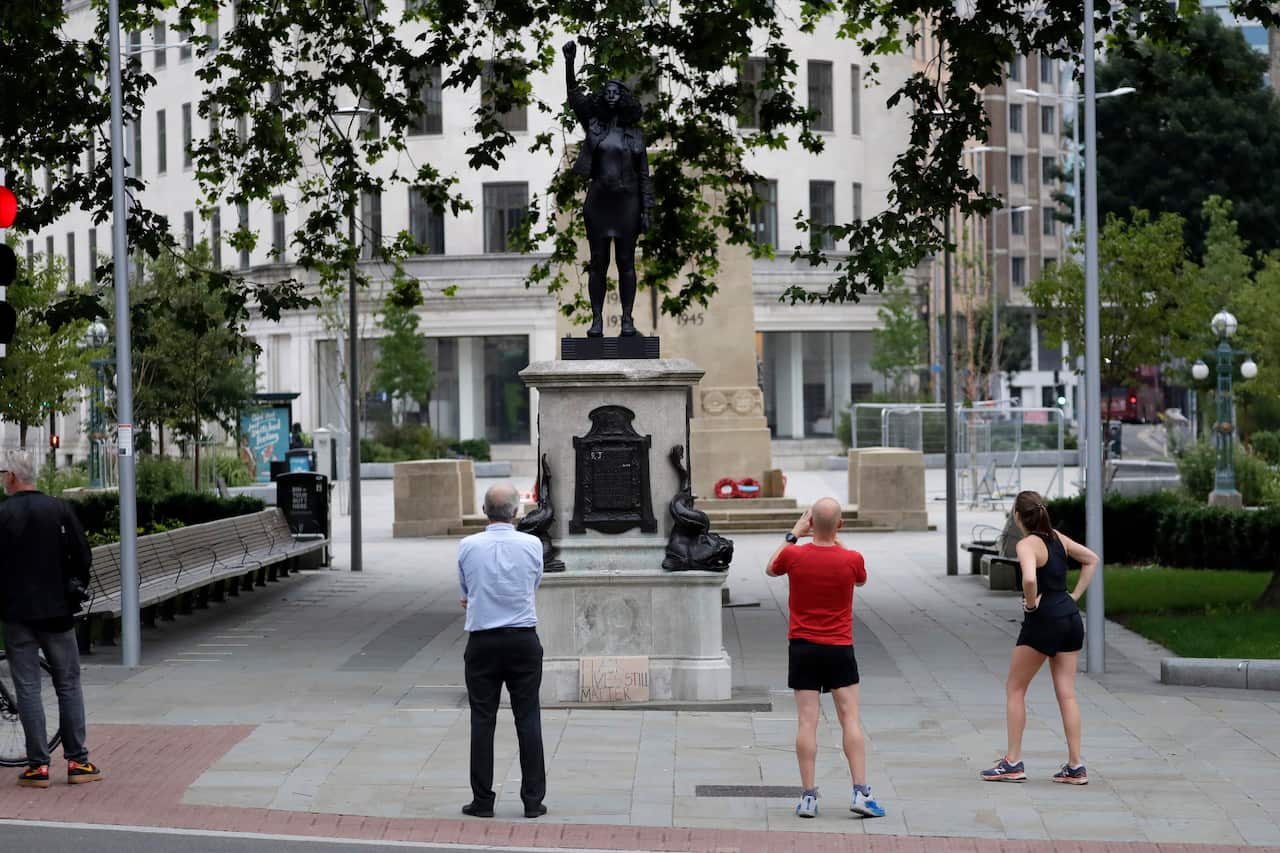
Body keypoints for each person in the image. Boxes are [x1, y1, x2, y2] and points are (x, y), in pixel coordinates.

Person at [766, 499, 885, 820]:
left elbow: (770, 566)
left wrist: (795, 532)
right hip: (839, 648)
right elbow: (861, 579)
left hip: (802, 647)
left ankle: (808, 797)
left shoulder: (793, 555)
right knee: (850, 719)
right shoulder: (851, 559)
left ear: (810, 524)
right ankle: (861, 792)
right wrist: (834, 537)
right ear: (841, 525)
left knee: (807, 722)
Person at [981, 490, 1099, 785]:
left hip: (1044, 620)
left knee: (1015, 688)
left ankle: (1013, 762)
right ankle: (1075, 766)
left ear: (1018, 516)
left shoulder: (1026, 545)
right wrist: (1075, 595)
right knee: (1067, 693)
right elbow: (1091, 559)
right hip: (1071, 618)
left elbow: (1030, 579)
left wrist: (1031, 604)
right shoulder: (1057, 537)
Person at [0, 450, 102, 788]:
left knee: (27, 689)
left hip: (17, 615)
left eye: (4, 475)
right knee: (68, 684)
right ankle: (77, 762)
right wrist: (73, 588)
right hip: (57, 612)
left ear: (12, 478)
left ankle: (38, 767)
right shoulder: (59, 509)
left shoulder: (3, 514)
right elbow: (82, 556)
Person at [457, 483, 547, 819]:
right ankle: (532, 800)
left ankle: (482, 801)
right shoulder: (532, 545)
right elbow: (532, 584)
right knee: (528, 718)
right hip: (523, 639)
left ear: (484, 511)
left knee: (482, 720)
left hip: (483, 642)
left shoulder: (468, 546)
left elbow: (466, 589)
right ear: (516, 512)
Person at [562, 39, 653, 338]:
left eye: (617, 92)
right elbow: (574, 97)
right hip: (598, 203)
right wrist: (569, 63)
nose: (612, 96)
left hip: (627, 205)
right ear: (603, 97)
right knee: (598, 263)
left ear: (624, 98)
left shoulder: (635, 135)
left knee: (626, 262)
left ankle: (627, 320)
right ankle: (597, 320)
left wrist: (647, 210)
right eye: (608, 92)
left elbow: (644, 175)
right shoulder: (594, 127)